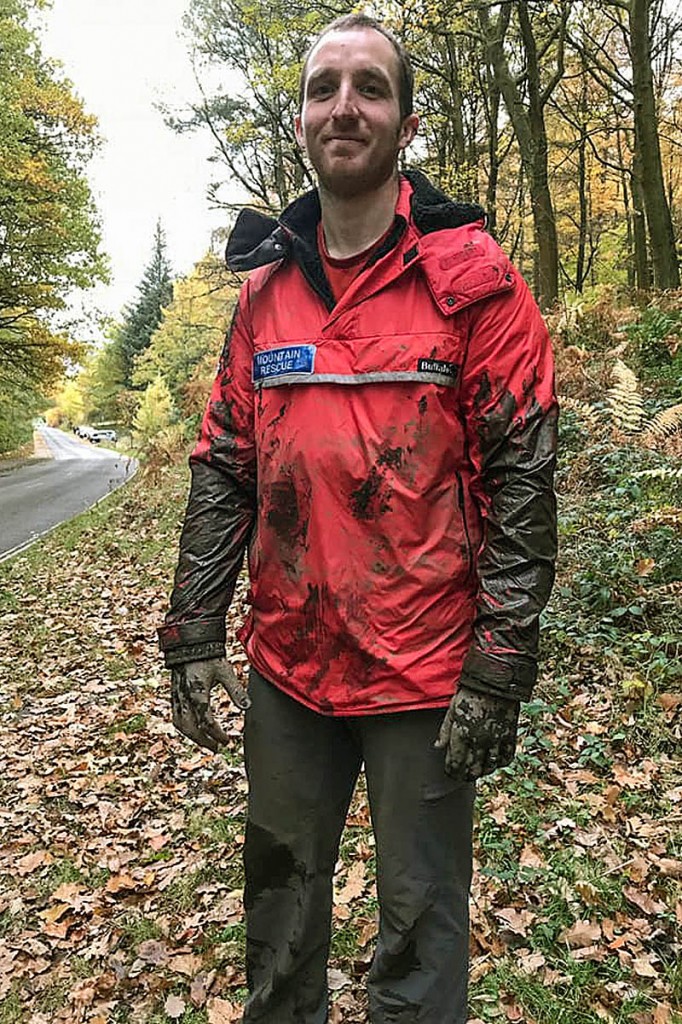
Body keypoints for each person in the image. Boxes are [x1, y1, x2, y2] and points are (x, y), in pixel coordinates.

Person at [158, 13, 557, 1024]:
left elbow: (521, 478)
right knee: (277, 925)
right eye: (323, 87)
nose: (344, 106)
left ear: (407, 124)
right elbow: (226, 466)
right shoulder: (264, 292)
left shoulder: (474, 283)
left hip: (425, 675)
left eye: (369, 87)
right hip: (289, 665)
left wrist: (499, 667)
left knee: (419, 945)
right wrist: (193, 633)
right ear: (299, 121)